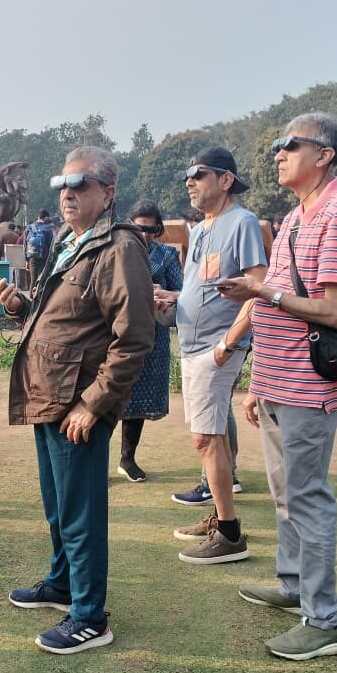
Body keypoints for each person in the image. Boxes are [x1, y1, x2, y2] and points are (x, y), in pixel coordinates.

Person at [0, 146, 154, 655]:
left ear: (107, 192)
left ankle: (89, 615)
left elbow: (133, 338)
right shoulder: (71, 241)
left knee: (80, 512)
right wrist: (20, 306)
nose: (68, 192)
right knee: (58, 507)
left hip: (76, 404)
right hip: (49, 394)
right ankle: (63, 584)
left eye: (79, 183)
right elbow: (64, 319)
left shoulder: (118, 247)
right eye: (63, 182)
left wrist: (94, 403)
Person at [217, 112, 337, 661]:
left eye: (290, 145)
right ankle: (292, 585)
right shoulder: (297, 216)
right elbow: (276, 293)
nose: (278, 153)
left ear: (324, 155)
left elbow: (333, 308)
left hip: (309, 383)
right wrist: (258, 380)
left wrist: (263, 294)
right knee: (284, 494)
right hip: (280, 379)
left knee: (308, 498)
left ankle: (323, 620)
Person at [170, 147, 267, 564]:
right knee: (211, 440)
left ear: (225, 180)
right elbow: (201, 288)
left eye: (200, 174)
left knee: (206, 440)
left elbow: (260, 287)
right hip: (193, 346)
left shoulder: (242, 223)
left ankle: (229, 535)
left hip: (214, 348)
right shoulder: (202, 228)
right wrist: (172, 298)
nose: (190, 181)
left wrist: (229, 343)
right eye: (188, 175)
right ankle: (220, 517)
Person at [115, 200, 183, 482]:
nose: (144, 234)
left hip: (152, 335)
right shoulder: (115, 252)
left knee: (138, 398)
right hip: (116, 333)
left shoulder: (166, 255)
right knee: (108, 395)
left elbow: (180, 291)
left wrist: (162, 293)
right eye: (139, 228)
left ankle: (127, 458)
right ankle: (92, 462)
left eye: (151, 228)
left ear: (158, 229)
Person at [23, 208, 55, 291]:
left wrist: (26, 260)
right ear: (46, 217)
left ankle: (31, 299)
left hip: (32, 257)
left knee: (33, 280)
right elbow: (51, 245)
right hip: (44, 257)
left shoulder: (29, 228)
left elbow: (25, 245)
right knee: (42, 280)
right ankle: (39, 299)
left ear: (38, 217)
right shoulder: (48, 228)